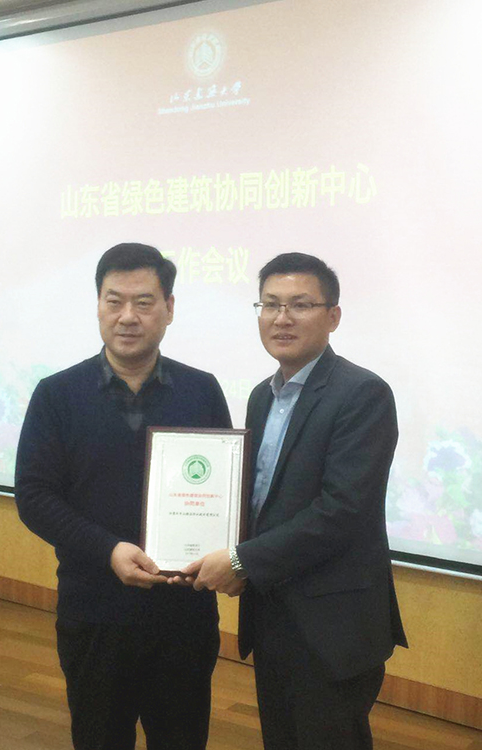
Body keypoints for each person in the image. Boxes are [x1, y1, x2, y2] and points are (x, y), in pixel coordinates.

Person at [180, 253, 407, 750]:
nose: (282, 318)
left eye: (300, 305)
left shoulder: (362, 393)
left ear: (333, 316)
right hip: (272, 609)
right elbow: (261, 500)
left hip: (333, 623)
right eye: (271, 304)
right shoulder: (262, 396)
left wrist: (239, 560)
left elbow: (341, 512)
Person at [15, 243, 232, 750]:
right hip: (95, 610)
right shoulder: (56, 394)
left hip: (184, 616)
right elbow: (34, 496)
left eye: (144, 302)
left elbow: (224, 491)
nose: (128, 316)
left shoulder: (202, 390)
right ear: (98, 306)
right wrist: (108, 549)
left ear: (169, 308)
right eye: (114, 301)